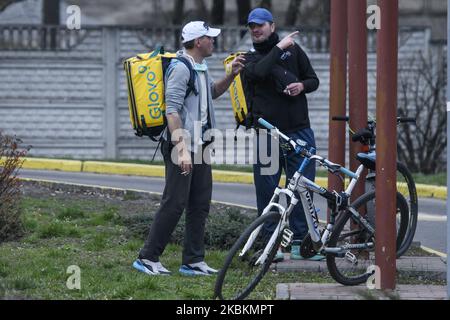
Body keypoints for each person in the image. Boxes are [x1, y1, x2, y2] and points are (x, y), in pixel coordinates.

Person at [133, 21, 245, 276]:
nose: (214, 41)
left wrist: (231, 75)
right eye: (210, 38)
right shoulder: (181, 68)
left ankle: (193, 260)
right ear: (198, 42)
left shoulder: (200, 67)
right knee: (174, 202)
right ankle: (147, 257)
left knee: (199, 203)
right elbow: (171, 110)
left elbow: (211, 93)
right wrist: (182, 150)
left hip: (202, 145)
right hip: (182, 145)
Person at [241, 8, 323, 261]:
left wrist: (301, 86)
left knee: (302, 189)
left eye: (260, 25)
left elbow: (313, 80)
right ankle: (270, 245)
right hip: (267, 135)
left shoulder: (294, 51)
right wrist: (279, 48)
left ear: (272, 27)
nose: (256, 30)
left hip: (299, 131)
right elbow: (260, 73)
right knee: (266, 191)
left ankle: (301, 244)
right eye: (252, 26)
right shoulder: (249, 59)